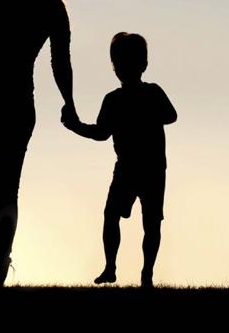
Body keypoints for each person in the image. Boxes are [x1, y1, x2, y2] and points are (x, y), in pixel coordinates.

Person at [0, 0, 77, 287]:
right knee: (7, 188)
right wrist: (69, 102)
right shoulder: (52, 6)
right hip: (21, 99)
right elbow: (60, 61)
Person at [62, 32, 177, 288]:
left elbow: (170, 116)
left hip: (145, 168)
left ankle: (141, 273)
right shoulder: (118, 99)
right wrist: (76, 126)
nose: (122, 67)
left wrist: (75, 126)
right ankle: (116, 268)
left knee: (145, 221)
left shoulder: (134, 96)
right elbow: (102, 133)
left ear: (142, 64)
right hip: (137, 168)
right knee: (123, 217)